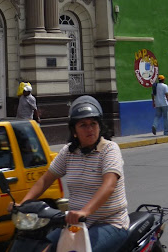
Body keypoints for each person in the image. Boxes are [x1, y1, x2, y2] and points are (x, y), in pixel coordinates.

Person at [16, 96, 129, 252]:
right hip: (77, 224)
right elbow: (46, 179)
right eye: (83, 125)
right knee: (44, 247)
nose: (90, 129)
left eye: (93, 124)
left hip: (109, 223)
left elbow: (109, 185)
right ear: (74, 131)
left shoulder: (109, 149)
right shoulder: (69, 152)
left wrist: (85, 211)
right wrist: (23, 204)